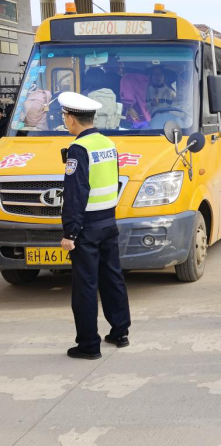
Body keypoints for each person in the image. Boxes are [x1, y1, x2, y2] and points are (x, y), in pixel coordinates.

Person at [58, 92, 131, 359]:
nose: (65, 120)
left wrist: (70, 232)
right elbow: (114, 179)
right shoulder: (108, 143)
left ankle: (89, 345)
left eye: (65, 116)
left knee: (86, 286)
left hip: (87, 228)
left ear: (71, 119)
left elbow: (76, 193)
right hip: (108, 221)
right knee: (113, 278)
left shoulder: (79, 149)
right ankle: (120, 332)